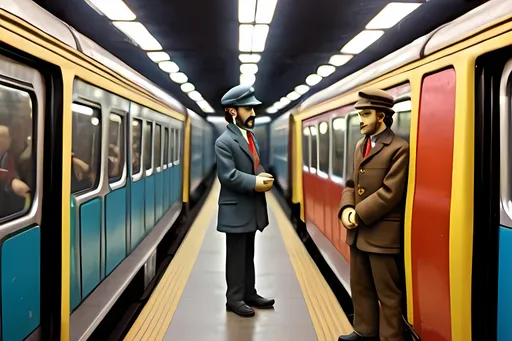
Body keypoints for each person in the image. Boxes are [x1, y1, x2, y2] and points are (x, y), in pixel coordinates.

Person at [337, 88, 409, 341]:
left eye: (366, 114)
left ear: (381, 116)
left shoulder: (399, 149)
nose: (360, 120)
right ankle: (364, 332)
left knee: (388, 294)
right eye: (359, 114)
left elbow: (391, 192)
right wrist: (346, 208)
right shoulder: (360, 145)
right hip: (358, 233)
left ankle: (391, 338)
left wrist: (357, 213)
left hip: (382, 234)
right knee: (361, 286)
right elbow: (350, 183)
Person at [215, 84, 275, 317]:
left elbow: (254, 164)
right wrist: (254, 182)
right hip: (236, 209)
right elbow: (228, 176)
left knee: (248, 253)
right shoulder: (224, 142)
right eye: (248, 109)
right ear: (232, 111)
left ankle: (249, 292)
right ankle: (234, 298)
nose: (253, 113)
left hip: (250, 208)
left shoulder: (249, 138)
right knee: (236, 255)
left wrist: (261, 174)